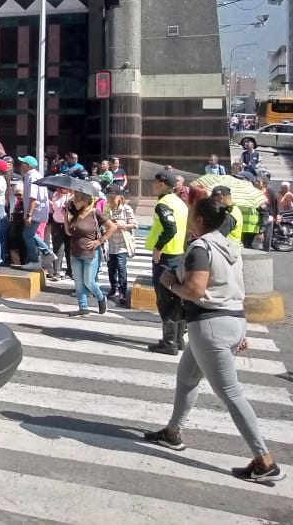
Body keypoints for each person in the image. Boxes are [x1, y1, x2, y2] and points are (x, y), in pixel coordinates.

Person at [144, 198, 285, 484]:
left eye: (192, 212)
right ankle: (172, 433)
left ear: (198, 220)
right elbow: (233, 289)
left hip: (209, 325)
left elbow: (195, 290)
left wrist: (169, 281)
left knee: (231, 393)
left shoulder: (200, 247)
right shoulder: (229, 245)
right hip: (230, 320)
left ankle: (264, 459)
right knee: (186, 379)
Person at [146, 171, 189, 354]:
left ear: (162, 184)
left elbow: (170, 228)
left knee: (164, 300)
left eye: (155, 182)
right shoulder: (179, 202)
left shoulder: (163, 204)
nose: (153, 185)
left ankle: (169, 343)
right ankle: (178, 340)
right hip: (179, 254)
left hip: (166, 257)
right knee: (177, 298)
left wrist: (158, 247)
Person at [64, 189, 116, 317]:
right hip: (75, 252)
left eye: (76, 199)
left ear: (85, 200)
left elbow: (112, 227)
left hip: (90, 253)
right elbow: (69, 232)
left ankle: (100, 297)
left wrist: (100, 241)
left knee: (89, 282)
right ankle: (83, 307)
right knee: (78, 282)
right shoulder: (76, 214)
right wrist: (66, 217)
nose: (74, 201)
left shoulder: (95, 213)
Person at [17, 156, 53, 270]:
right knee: (31, 234)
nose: (21, 165)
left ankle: (35, 260)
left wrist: (29, 215)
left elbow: (33, 197)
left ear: (28, 165)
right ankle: (47, 252)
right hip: (39, 210)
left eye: (23, 163)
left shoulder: (31, 176)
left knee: (27, 235)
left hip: (35, 211)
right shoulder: (36, 175)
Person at [103, 185, 137, 306]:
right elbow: (103, 224)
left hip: (122, 244)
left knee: (121, 268)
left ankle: (122, 291)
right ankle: (113, 288)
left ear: (118, 197)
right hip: (110, 243)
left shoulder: (126, 209)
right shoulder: (106, 209)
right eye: (108, 197)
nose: (110, 200)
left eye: (112, 198)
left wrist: (123, 225)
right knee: (111, 268)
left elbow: (134, 224)